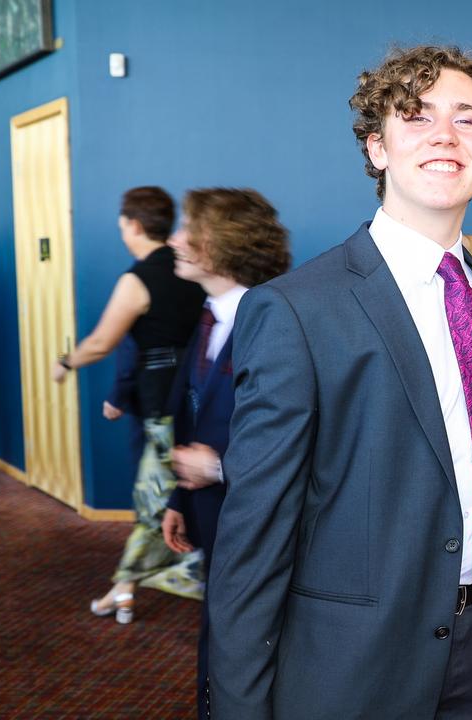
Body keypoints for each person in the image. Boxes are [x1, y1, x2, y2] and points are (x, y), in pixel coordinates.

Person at [206, 45, 472, 719]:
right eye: (416, 116)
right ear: (377, 148)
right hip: (353, 662)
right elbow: (253, 537)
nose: (444, 134)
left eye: (468, 120)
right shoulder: (298, 309)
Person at [153, 188, 291, 720]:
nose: (174, 239)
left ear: (228, 242)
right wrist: (176, 500)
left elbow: (299, 437)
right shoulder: (209, 316)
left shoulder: (277, 320)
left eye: (190, 228)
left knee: (246, 652)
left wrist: (215, 468)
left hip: (257, 523)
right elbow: (195, 417)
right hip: (208, 515)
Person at [54, 186, 207, 622]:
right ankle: (128, 586)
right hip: (198, 396)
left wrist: (65, 362)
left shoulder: (137, 279)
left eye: (122, 225)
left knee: (154, 500)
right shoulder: (189, 268)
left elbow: (104, 342)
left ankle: (129, 586)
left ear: (134, 225)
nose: (122, 232)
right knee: (171, 495)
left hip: (160, 404)